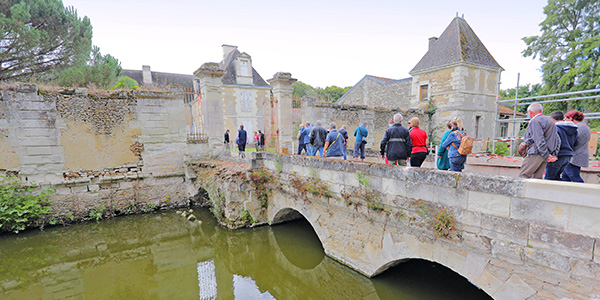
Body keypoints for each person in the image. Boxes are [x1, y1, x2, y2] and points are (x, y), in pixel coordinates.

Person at [518, 103, 560, 179]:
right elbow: (557, 139)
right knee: (537, 178)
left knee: (523, 175)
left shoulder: (535, 121)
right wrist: (551, 154)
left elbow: (539, 140)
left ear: (530, 112)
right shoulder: (551, 121)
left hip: (536, 153)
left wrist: (545, 154)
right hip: (545, 154)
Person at [544, 111, 578, 180]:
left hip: (557, 156)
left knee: (549, 178)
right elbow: (576, 143)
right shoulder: (573, 129)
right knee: (556, 177)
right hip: (568, 156)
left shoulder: (555, 128)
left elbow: (552, 143)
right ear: (563, 118)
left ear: (552, 119)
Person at [562, 110, 590, 182]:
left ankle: (583, 192)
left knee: (574, 176)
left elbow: (572, 142)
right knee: (565, 176)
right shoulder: (584, 126)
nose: (565, 121)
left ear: (571, 118)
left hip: (574, 157)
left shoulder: (576, 128)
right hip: (579, 155)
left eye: (566, 119)